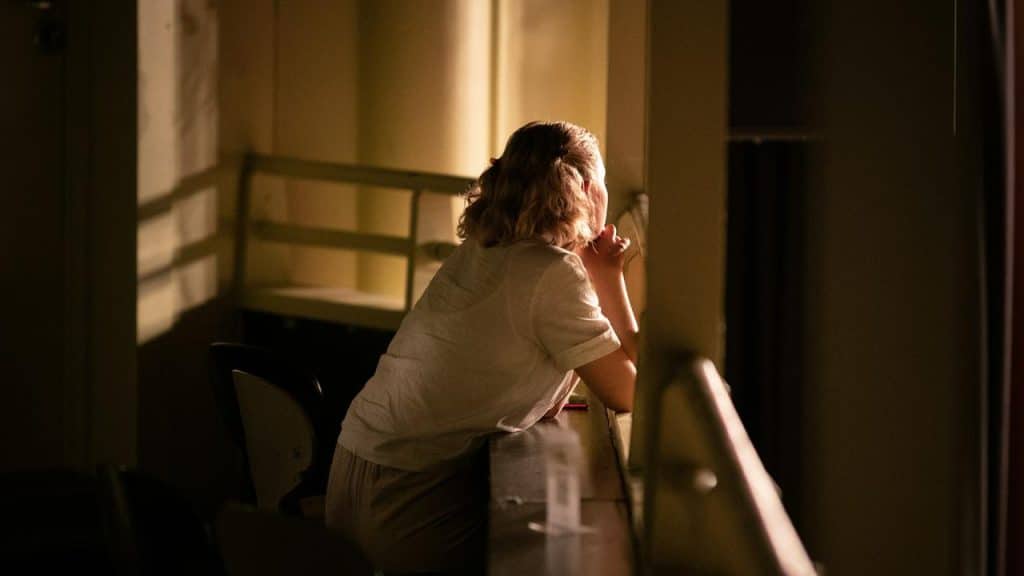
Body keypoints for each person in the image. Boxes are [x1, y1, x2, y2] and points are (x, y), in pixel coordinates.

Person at [325, 121, 639, 573]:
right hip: (405, 498)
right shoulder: (551, 273)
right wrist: (612, 280)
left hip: (351, 471)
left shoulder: (485, 248)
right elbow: (628, 393)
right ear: (590, 189)